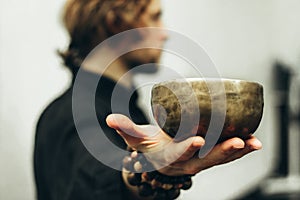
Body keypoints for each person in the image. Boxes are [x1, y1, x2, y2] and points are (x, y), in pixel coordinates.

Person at [34, 0, 262, 199]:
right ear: (116, 22)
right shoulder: (75, 114)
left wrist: (160, 174)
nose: (164, 33)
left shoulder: (126, 109)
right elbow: (92, 185)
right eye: (155, 16)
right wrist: (144, 173)